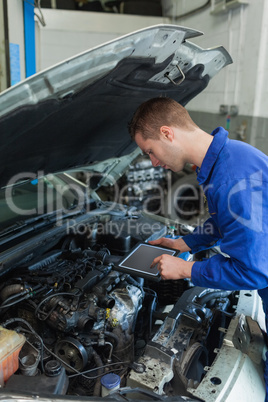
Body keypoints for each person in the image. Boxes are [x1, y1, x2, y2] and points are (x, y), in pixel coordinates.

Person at [128, 96, 268, 398]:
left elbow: (254, 272)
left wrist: (186, 268)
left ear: (167, 133)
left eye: (150, 151)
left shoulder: (230, 177)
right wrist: (185, 242)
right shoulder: (226, 159)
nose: (153, 162)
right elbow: (224, 222)